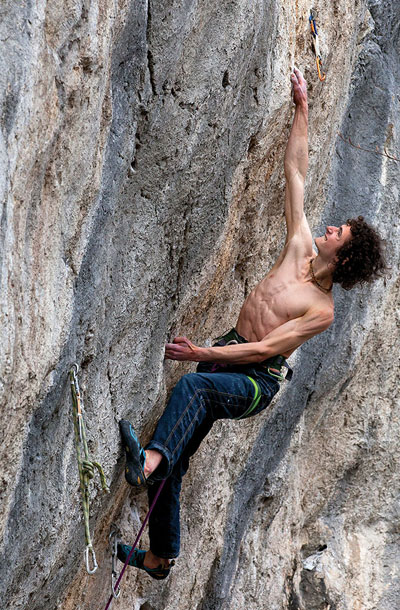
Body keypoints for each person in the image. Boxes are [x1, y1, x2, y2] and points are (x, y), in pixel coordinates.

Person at [117, 68, 387, 579]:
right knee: (179, 443)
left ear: (345, 257)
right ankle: (161, 556)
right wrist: (302, 108)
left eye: (340, 231)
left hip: (256, 380)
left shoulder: (321, 311)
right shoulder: (300, 246)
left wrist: (203, 356)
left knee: (192, 392)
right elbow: (297, 175)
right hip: (230, 350)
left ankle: (146, 464)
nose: (330, 226)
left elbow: (266, 352)